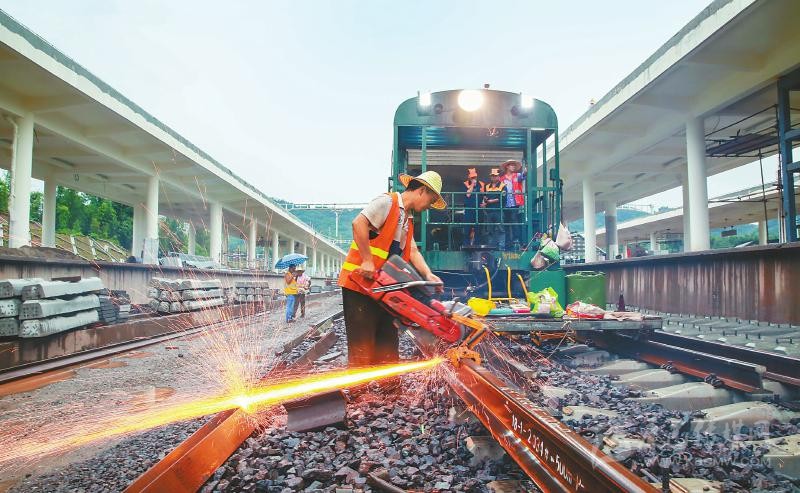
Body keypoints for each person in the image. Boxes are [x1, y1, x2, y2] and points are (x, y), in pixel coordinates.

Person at [339, 170, 446, 367]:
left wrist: (428, 274)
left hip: (382, 290)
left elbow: (412, 250)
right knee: (362, 349)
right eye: (431, 201)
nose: (428, 207)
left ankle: (389, 385)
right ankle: (359, 386)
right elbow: (358, 223)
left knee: (387, 349)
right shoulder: (387, 202)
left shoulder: (407, 219)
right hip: (360, 286)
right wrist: (367, 260)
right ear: (422, 190)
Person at [501, 160, 526, 248]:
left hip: (515, 202)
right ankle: (508, 242)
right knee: (507, 223)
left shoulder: (517, 175)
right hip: (505, 203)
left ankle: (516, 239)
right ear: (507, 167)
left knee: (514, 219)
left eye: (514, 165)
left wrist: (526, 170)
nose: (513, 167)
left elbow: (523, 175)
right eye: (512, 165)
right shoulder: (502, 179)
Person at [481, 168, 506, 250]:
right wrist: (485, 202)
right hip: (489, 211)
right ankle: (490, 247)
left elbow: (503, 198)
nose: (493, 177)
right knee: (489, 230)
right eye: (492, 176)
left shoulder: (503, 186)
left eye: (495, 176)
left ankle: (501, 247)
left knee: (500, 229)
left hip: (499, 210)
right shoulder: (487, 186)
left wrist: (490, 201)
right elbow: (485, 197)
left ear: (498, 176)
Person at [462, 167, 485, 247]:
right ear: (468, 177)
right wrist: (472, 184)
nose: (473, 179)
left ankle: (477, 246)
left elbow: (484, 196)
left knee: (478, 229)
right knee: (467, 229)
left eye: (474, 177)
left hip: (478, 210)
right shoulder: (465, 184)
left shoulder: (481, 184)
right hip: (469, 209)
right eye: (472, 177)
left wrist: (484, 203)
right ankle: (466, 246)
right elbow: (468, 195)